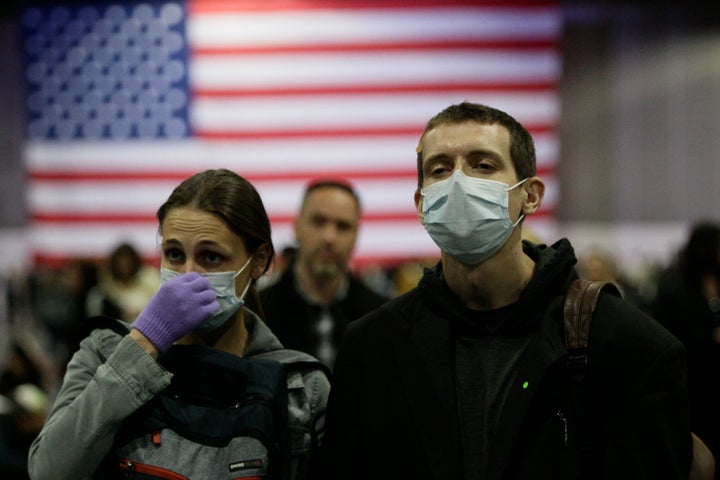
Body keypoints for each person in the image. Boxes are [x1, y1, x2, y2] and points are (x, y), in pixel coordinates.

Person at [315, 102, 692, 479]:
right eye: (440, 169)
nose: (458, 182)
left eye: (483, 165)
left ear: (530, 195)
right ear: (421, 204)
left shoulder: (625, 344)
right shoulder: (374, 347)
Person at [28, 169, 330, 480]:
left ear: (259, 260)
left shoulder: (300, 387)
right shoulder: (105, 350)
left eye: (211, 257)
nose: (188, 275)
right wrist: (144, 342)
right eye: (174, 254)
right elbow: (49, 471)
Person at [260, 179, 390, 369]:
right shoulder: (259, 312)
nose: (329, 237)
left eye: (343, 226)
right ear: (296, 227)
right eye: (319, 222)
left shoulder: (381, 317)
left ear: (356, 236)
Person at [652, 221, 720, 477]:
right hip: (694, 387)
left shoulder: (715, 283)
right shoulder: (675, 288)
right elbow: (666, 338)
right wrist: (709, 338)